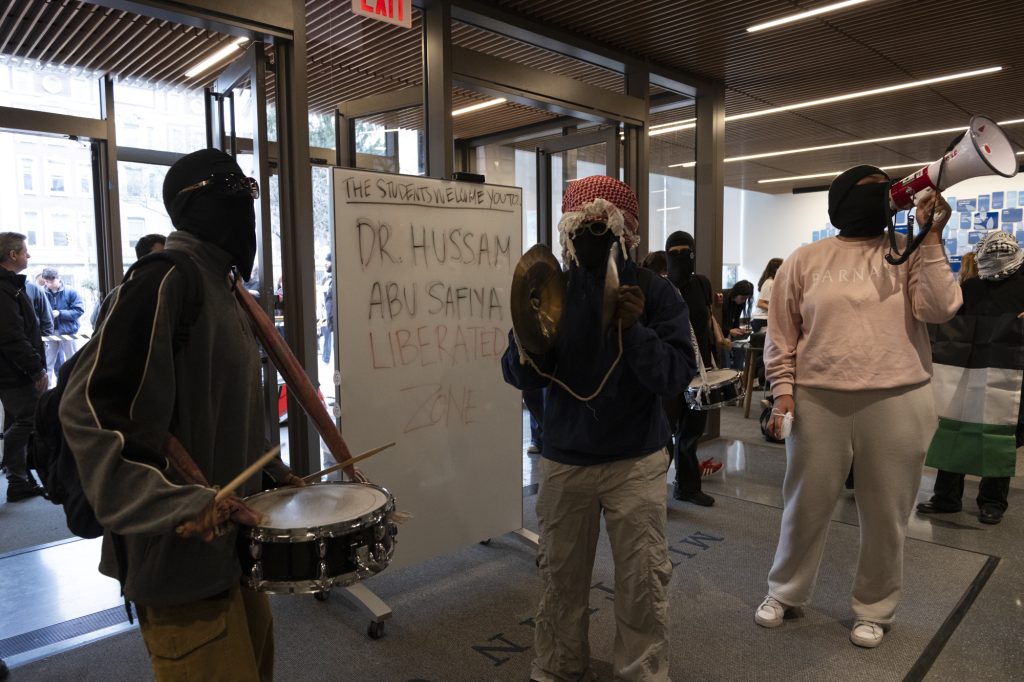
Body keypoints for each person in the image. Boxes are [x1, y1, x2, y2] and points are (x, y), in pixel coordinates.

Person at [60, 149, 303, 681]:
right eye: (228, 189)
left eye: (249, 191)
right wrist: (175, 502)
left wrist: (273, 472)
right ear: (189, 205)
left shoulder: (229, 288)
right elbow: (88, 411)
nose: (243, 203)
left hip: (230, 552)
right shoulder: (164, 281)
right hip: (176, 560)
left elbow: (213, 408)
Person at [755, 165, 961, 649]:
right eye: (870, 191)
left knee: (886, 512)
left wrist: (931, 237)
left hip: (897, 398)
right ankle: (785, 591)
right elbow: (781, 335)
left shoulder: (906, 251)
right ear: (840, 201)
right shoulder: (805, 259)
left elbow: (939, 308)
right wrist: (783, 393)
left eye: (886, 190)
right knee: (804, 504)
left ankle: (875, 608)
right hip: (819, 400)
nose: (881, 198)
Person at [502, 176, 694, 682]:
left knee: (641, 582)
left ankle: (642, 672)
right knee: (561, 580)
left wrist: (637, 330)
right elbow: (517, 375)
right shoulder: (549, 287)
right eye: (581, 224)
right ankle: (559, 666)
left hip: (636, 460)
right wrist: (528, 337)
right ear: (566, 229)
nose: (591, 234)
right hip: (565, 459)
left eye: (601, 224)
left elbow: (676, 375)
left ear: (624, 229)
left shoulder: (655, 291)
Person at [918, 231, 1024, 525]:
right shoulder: (973, 287)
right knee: (954, 425)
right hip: (966, 367)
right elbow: (951, 320)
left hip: (1010, 370)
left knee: (998, 431)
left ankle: (992, 501)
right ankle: (946, 497)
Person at [664, 231, 721, 505]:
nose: (679, 258)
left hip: (700, 371)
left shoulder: (702, 283)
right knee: (664, 435)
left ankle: (686, 487)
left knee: (691, 432)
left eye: (685, 253)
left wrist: (718, 343)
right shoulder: (661, 287)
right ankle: (652, 494)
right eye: (673, 253)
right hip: (671, 370)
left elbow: (707, 319)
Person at [0, 232, 49, 502]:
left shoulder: (11, 286)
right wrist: (36, 369)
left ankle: (18, 481)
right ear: (12, 255)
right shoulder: (4, 288)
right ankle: (12, 469)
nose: (28, 256)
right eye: (24, 251)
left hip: (13, 370)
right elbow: (11, 336)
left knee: (17, 419)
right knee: (29, 419)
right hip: (15, 372)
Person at [39, 267, 85, 377]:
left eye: (51, 281)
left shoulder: (71, 291)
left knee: (72, 362)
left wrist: (60, 313)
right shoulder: (41, 293)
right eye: (46, 281)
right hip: (49, 332)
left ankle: (72, 389)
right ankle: (47, 390)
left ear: (58, 278)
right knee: (48, 364)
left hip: (68, 331)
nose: (49, 284)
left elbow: (79, 310)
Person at [720, 279, 754, 370]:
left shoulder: (739, 304)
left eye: (745, 299)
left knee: (741, 348)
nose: (743, 301)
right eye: (743, 298)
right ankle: (727, 378)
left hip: (728, 336)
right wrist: (729, 331)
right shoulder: (723, 299)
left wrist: (738, 330)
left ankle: (738, 376)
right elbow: (717, 322)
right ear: (736, 293)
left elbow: (735, 322)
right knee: (725, 350)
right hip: (719, 336)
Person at [322, 253, 334, 363]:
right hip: (329, 321)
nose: (325, 264)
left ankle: (326, 358)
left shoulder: (337, 280)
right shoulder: (328, 280)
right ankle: (326, 358)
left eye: (327, 261)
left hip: (335, 323)